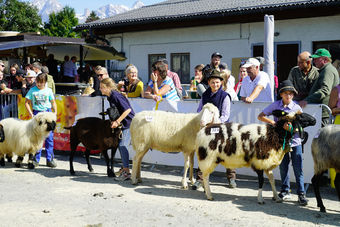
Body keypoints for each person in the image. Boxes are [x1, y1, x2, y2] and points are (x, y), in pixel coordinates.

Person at [258, 80, 308, 206]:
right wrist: (273, 123)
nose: (288, 96)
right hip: (280, 142)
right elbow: (261, 116)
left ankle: (301, 193)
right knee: (283, 166)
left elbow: (301, 125)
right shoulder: (275, 105)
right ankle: (285, 190)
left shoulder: (296, 108)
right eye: (286, 93)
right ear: (281, 94)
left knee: (298, 167)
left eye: (291, 94)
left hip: (295, 141)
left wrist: (291, 129)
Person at [195, 69, 236, 189]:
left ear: (221, 83)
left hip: (222, 128)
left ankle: (231, 178)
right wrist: (204, 120)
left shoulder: (225, 96)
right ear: (209, 82)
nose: (215, 85)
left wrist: (215, 122)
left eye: (217, 82)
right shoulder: (205, 95)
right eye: (212, 82)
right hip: (207, 128)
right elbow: (199, 110)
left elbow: (225, 115)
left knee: (227, 153)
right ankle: (199, 179)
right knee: (204, 153)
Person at [100, 77, 135, 181]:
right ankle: (125, 168)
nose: (100, 89)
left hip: (129, 123)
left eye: (102, 87)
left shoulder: (115, 95)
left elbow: (128, 110)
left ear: (109, 87)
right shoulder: (110, 96)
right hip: (123, 124)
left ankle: (126, 172)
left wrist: (117, 121)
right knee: (121, 145)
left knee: (123, 145)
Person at [299, 48, 339, 127]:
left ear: (325, 59)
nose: (314, 61)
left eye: (317, 58)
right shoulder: (326, 70)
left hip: (324, 114)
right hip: (322, 112)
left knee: (321, 137)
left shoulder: (328, 70)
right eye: (314, 59)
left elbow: (325, 90)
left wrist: (307, 100)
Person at [25, 73, 57, 168]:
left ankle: (49, 159)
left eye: (41, 83)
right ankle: (36, 159)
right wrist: (31, 113)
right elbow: (27, 102)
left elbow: (53, 102)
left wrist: (55, 112)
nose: (39, 84)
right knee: (37, 138)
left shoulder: (49, 91)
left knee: (49, 138)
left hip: (47, 114)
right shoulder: (32, 90)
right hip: (37, 114)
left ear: (45, 82)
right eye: (38, 82)